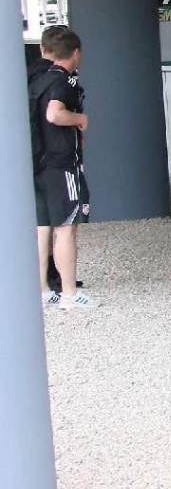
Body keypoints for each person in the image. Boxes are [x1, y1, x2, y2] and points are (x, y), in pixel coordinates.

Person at [30, 28, 95, 310]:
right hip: (61, 165)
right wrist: (80, 118)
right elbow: (54, 113)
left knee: (42, 228)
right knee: (66, 228)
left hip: (39, 163)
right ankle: (69, 294)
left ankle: (43, 290)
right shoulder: (63, 82)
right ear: (76, 53)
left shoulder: (36, 79)